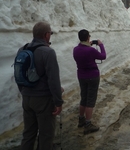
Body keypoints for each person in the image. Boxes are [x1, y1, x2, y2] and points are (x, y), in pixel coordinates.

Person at [16, 21, 63, 150]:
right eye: (50, 33)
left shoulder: (22, 49)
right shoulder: (48, 52)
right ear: (46, 35)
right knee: (46, 135)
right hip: (43, 100)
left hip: (27, 98)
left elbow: (18, 74)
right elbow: (53, 80)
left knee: (28, 133)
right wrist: (58, 102)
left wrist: (24, 92)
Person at [73, 29, 106, 135]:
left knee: (84, 98)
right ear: (88, 37)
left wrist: (88, 45)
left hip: (81, 76)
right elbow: (103, 56)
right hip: (92, 76)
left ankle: (81, 119)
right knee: (90, 100)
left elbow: (84, 53)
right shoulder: (90, 51)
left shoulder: (76, 49)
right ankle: (88, 124)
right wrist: (100, 45)